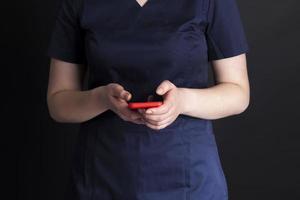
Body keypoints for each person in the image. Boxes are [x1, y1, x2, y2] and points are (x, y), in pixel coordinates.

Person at [46, 0, 250, 199]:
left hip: (188, 176)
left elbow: (238, 93)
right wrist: (101, 98)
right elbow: (58, 103)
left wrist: (183, 101)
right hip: (103, 174)